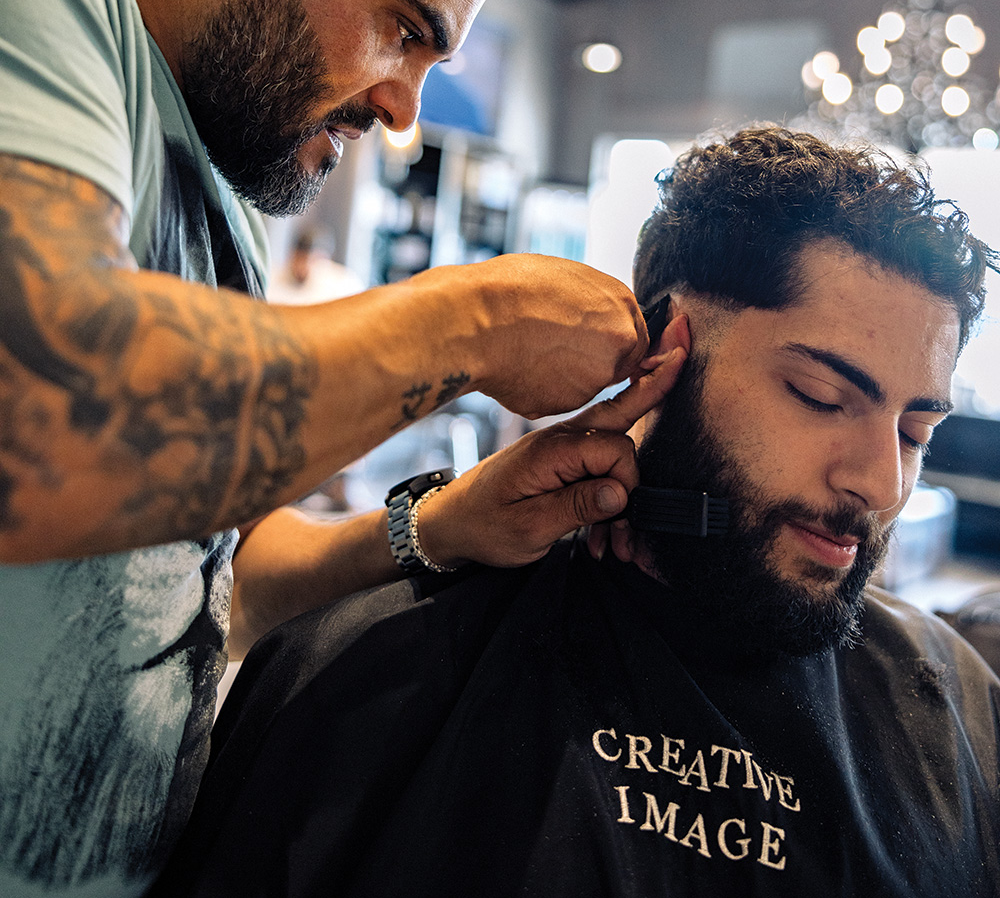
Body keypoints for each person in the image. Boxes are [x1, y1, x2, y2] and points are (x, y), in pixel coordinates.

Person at [0, 0, 663, 898]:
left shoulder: (219, 179)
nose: (404, 108)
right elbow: (41, 412)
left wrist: (437, 528)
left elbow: (201, 578)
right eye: (406, 27)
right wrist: (475, 318)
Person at [152, 127, 1000, 898]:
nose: (883, 481)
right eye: (821, 397)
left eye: (918, 427)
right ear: (667, 352)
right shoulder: (382, 668)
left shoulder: (957, 708)